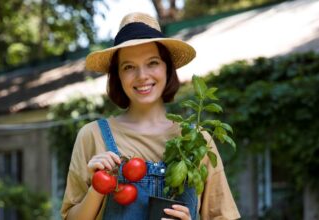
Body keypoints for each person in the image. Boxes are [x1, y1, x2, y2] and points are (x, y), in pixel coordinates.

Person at [61, 12, 240, 220]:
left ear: (167, 68)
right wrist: (97, 187)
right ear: (118, 76)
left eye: (152, 63)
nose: (142, 76)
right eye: (129, 67)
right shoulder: (92, 136)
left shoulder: (197, 141)